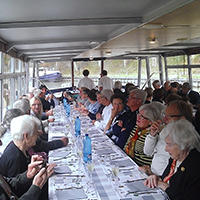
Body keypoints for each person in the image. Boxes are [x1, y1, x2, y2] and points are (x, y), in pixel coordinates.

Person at [144, 119, 200, 200]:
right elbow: (166, 179)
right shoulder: (175, 159)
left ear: (184, 144)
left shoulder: (195, 166)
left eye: (169, 145)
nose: (166, 149)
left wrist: (165, 187)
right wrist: (155, 178)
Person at [141, 100, 193, 176]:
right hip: (152, 173)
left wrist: (158, 179)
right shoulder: (165, 130)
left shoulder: (186, 138)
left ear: (182, 118)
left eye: (169, 116)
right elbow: (148, 152)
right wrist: (152, 135)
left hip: (165, 179)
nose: (164, 119)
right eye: (164, 115)